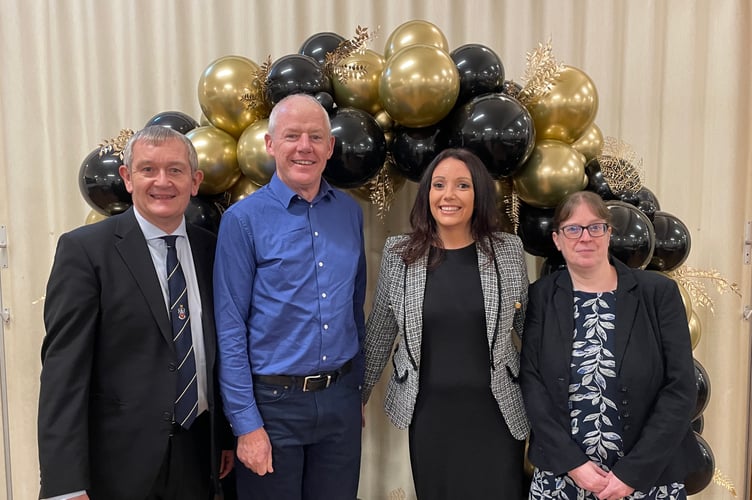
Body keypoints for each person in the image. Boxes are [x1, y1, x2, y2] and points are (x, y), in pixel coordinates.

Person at [38, 125, 234, 500]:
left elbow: (215, 353)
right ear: (128, 178)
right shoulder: (86, 252)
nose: (163, 182)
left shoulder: (211, 249)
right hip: (119, 465)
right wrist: (65, 485)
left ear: (195, 182)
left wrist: (223, 436)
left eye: (175, 170)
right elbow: (63, 374)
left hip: (199, 453)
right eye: (148, 169)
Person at [213, 93, 366, 500]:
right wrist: (246, 424)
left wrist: (356, 393)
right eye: (292, 136)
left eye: (316, 137)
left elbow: (354, 307)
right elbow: (229, 328)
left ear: (330, 147)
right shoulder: (242, 221)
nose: (304, 147)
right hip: (272, 409)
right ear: (270, 144)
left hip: (340, 403)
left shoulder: (350, 213)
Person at [362, 148, 530, 499]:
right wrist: (355, 399)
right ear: (427, 195)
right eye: (439, 185)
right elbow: (378, 334)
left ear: (478, 194)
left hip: (496, 414)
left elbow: (529, 330)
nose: (448, 195)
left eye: (462, 185)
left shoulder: (508, 250)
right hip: (430, 416)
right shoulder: (400, 253)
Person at [519, 190, 704, 500]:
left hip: (648, 477)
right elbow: (532, 382)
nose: (585, 237)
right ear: (557, 239)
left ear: (608, 233)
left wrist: (632, 473)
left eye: (595, 227)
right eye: (573, 229)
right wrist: (574, 464)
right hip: (564, 477)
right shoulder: (542, 296)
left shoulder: (658, 293)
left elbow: (681, 388)